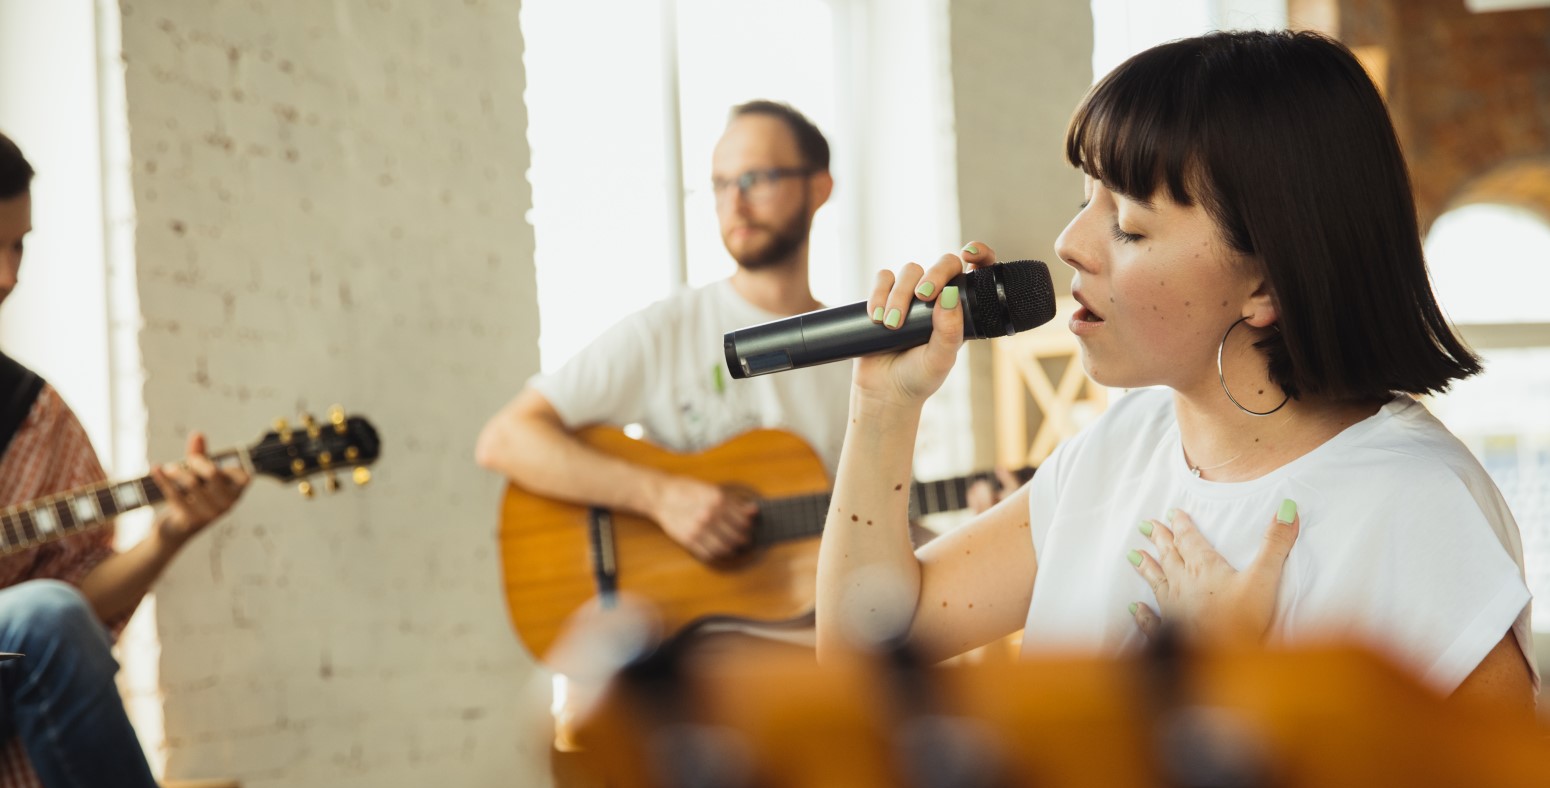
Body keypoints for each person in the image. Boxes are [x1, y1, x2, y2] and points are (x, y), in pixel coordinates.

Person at [814, 30, 1535, 713]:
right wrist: (883, 408)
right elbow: (860, 657)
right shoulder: (1123, 445)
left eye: (1128, 222)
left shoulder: (1413, 506)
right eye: (1083, 199)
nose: (1069, 243)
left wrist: (1235, 694)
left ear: (1266, 286)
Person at [476, 100, 854, 565]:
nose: (735, 203)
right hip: (687, 624)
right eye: (720, 184)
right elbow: (506, 438)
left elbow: (880, 519)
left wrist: (968, 527)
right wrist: (658, 496)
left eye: (757, 178)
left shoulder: (858, 354)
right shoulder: (667, 330)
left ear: (819, 187)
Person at [0, 131, 251, 788]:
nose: (7, 276)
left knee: (48, 619)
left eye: (18, 246)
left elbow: (62, 611)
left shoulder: (33, 415)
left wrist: (171, 532)